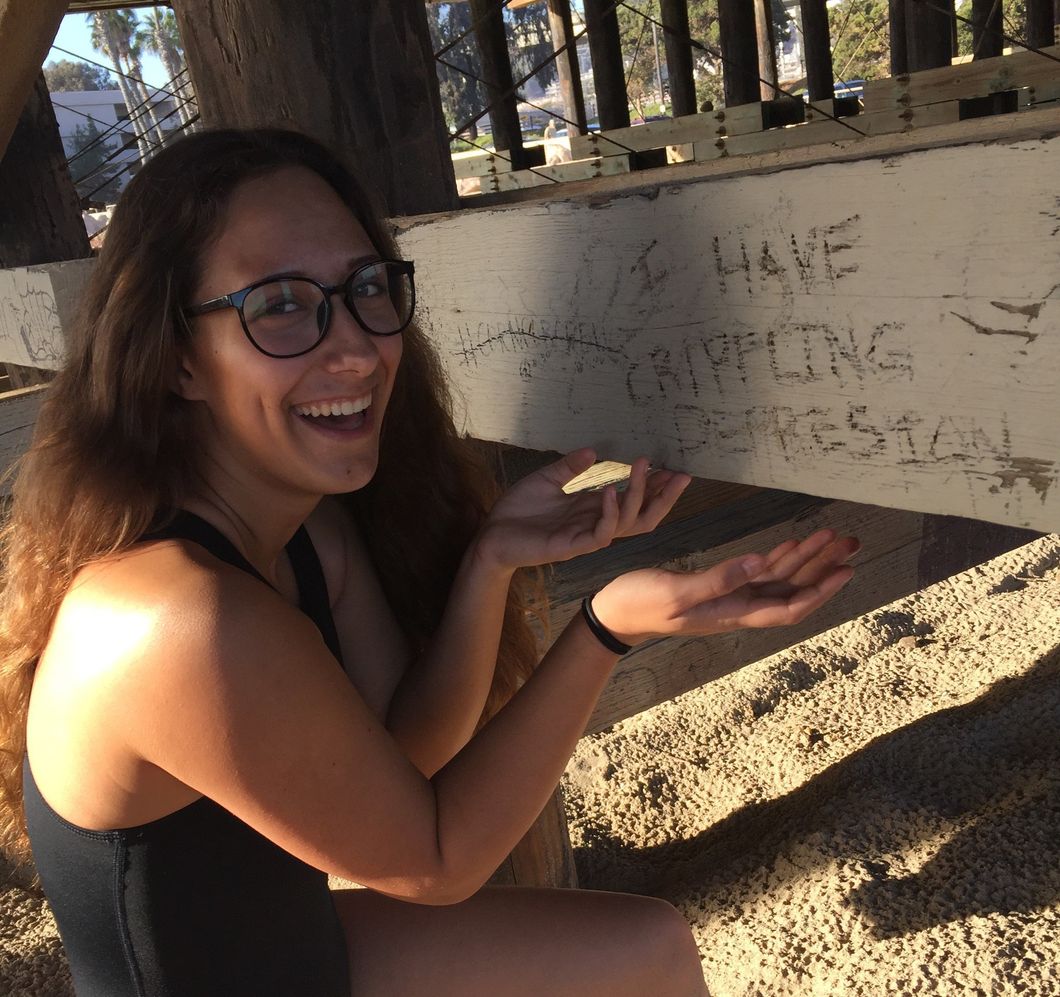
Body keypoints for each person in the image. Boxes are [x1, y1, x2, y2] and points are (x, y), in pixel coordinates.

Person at [0, 128, 857, 996]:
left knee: (649, 947)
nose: (358, 348)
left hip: (296, 956)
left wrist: (490, 564)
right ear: (178, 356)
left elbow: (405, 758)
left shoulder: (305, 532)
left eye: (366, 287)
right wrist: (606, 627)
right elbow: (436, 858)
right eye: (282, 304)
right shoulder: (175, 617)